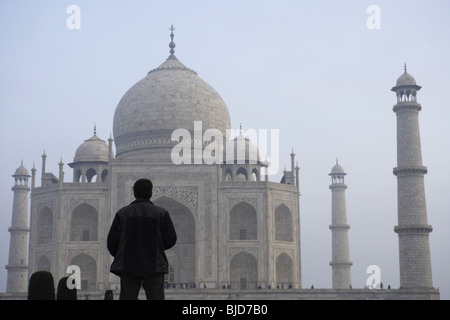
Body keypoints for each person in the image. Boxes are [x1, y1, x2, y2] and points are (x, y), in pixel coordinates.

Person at [107, 178, 177, 300]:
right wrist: (157, 248)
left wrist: (122, 254)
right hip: (154, 264)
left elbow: (112, 242)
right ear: (151, 194)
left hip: (128, 263)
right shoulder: (161, 213)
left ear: (134, 194)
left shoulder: (122, 213)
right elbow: (171, 239)